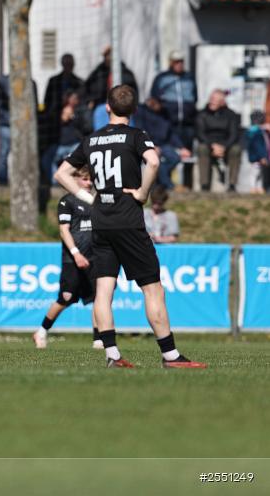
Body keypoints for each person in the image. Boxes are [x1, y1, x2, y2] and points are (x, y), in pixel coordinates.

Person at [55, 84, 205, 368]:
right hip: (127, 218)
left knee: (104, 290)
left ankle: (113, 355)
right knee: (152, 288)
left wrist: (88, 198)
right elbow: (153, 161)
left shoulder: (92, 139)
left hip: (100, 220)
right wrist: (142, 193)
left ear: (107, 108)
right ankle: (170, 355)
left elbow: (62, 173)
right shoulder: (136, 135)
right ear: (134, 110)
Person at [33, 167, 101, 349]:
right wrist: (76, 253)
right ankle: (41, 331)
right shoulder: (67, 202)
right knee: (66, 298)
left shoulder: (96, 201)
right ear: (75, 180)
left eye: (91, 179)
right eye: (85, 179)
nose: (89, 183)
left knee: (99, 298)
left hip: (95, 257)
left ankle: (98, 340)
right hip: (73, 259)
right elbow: (64, 230)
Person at [151, 51, 197, 188]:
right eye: (176, 62)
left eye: (181, 61)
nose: (180, 64)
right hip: (170, 123)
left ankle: (187, 185)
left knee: (187, 154)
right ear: (171, 62)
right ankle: (166, 184)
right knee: (171, 155)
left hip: (187, 124)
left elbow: (195, 97)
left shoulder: (189, 77)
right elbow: (155, 99)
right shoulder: (162, 78)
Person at [134, 96, 190, 190]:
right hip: (148, 145)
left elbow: (171, 134)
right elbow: (140, 131)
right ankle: (169, 185)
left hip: (163, 145)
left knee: (175, 158)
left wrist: (182, 147)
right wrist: (151, 146)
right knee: (156, 161)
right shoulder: (141, 112)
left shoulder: (165, 113)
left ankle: (162, 181)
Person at [196, 89, 242, 192]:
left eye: (215, 100)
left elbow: (234, 134)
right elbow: (200, 134)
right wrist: (212, 146)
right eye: (211, 99)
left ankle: (232, 185)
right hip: (208, 145)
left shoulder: (231, 115)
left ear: (222, 102)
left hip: (226, 146)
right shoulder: (202, 114)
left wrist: (224, 147)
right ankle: (204, 185)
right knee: (202, 148)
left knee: (236, 149)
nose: (212, 101)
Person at [52, 91, 90, 179]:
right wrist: (63, 116)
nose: (74, 100)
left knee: (78, 160)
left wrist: (73, 117)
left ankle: (76, 179)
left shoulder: (80, 110)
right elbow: (57, 122)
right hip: (60, 146)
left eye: (76, 98)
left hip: (75, 144)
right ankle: (56, 181)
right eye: (72, 98)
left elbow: (86, 127)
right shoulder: (58, 110)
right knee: (47, 159)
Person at [246, 110, 270, 193]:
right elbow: (258, 146)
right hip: (257, 157)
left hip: (260, 156)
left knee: (260, 174)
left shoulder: (258, 131)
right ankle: (253, 188)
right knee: (255, 173)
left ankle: (259, 188)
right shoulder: (255, 132)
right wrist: (262, 157)